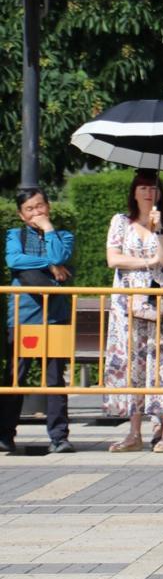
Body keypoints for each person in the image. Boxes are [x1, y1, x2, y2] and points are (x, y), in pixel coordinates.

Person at [102, 170, 163, 452]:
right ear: (134, 192)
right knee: (132, 363)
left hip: (160, 300)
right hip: (126, 302)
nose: (149, 193)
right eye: (143, 188)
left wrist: (158, 230)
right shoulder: (121, 222)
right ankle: (133, 431)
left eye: (154, 188)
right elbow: (113, 259)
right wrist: (149, 261)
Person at [0, 188, 76, 455]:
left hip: (56, 318)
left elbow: (60, 257)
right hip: (22, 317)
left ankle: (59, 436)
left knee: (55, 379)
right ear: (21, 215)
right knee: (15, 377)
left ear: (49, 207)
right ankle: (5, 434)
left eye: (40, 206)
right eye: (30, 209)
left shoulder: (63, 235)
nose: (36, 213)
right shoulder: (15, 235)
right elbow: (14, 259)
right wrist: (51, 267)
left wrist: (48, 231)